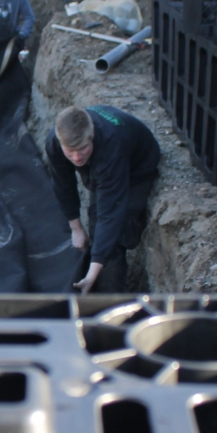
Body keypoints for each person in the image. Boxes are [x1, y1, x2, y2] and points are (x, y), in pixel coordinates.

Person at [46, 105, 161, 293]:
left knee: (117, 234)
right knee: (96, 225)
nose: (76, 157)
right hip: (102, 164)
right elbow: (63, 184)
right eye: (70, 151)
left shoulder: (111, 144)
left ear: (91, 134)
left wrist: (91, 276)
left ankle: (110, 297)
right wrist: (76, 229)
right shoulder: (55, 140)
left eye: (82, 148)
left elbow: (110, 215)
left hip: (137, 165)